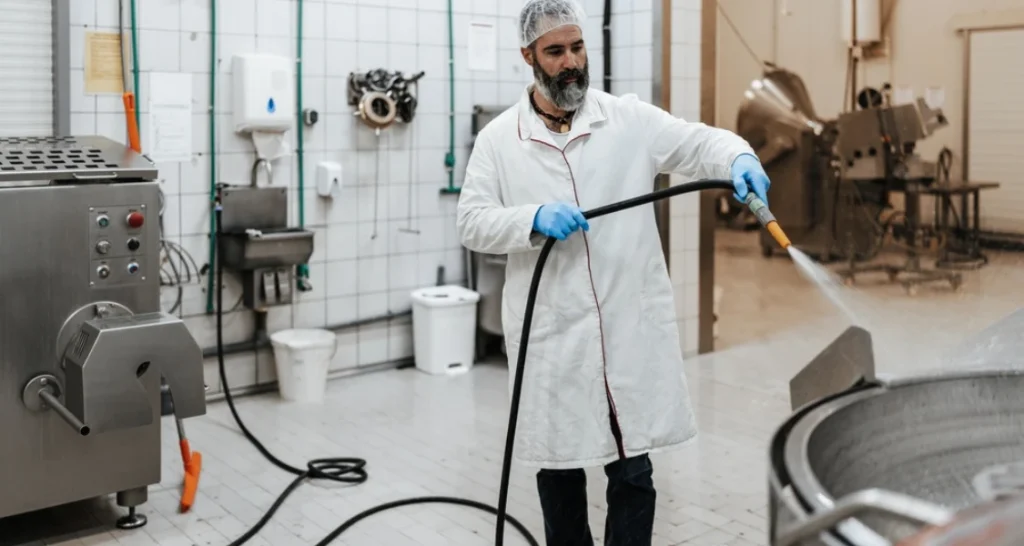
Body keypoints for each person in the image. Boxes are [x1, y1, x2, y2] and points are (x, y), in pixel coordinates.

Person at [456, 0, 770, 544]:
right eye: (556, 51)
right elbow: (472, 222)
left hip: (625, 334)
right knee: (558, 476)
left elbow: (699, 143)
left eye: (578, 47)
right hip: (553, 342)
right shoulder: (499, 140)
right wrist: (531, 218)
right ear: (528, 56)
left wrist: (740, 158)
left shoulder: (627, 119)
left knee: (632, 474)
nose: (571, 61)